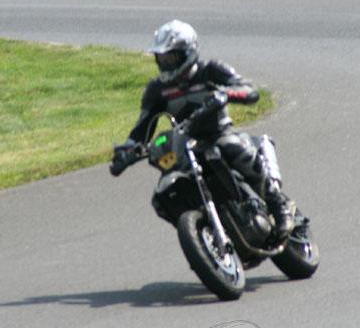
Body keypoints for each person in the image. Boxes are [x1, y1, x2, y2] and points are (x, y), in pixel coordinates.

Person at [110, 19, 294, 238]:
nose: (166, 63)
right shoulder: (156, 89)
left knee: (233, 147)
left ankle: (278, 206)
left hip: (219, 133)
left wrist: (225, 94)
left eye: (171, 57)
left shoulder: (210, 70)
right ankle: (203, 230)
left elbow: (250, 91)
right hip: (185, 143)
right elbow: (142, 128)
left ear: (188, 52)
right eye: (162, 58)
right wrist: (126, 152)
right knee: (163, 194)